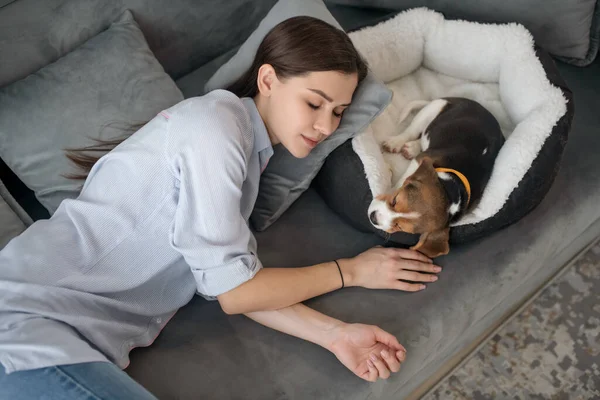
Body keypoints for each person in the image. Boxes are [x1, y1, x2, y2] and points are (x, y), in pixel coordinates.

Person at [0, 16, 441, 399]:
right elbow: (237, 293)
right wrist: (353, 271)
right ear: (268, 80)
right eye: (314, 103)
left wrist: (337, 335)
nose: (326, 126)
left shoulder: (242, 153)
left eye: (339, 111)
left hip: (61, 334)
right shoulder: (216, 129)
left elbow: (229, 279)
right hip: (24, 323)